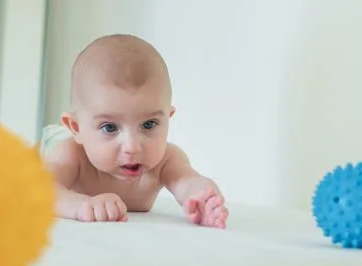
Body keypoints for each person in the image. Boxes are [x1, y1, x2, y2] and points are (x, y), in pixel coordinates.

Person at [41, 33, 228, 228]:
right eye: (110, 127)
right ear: (76, 128)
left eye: (148, 125)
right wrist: (81, 206)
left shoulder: (167, 159)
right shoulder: (72, 154)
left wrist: (203, 196)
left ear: (168, 119)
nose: (132, 147)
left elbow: (187, 181)